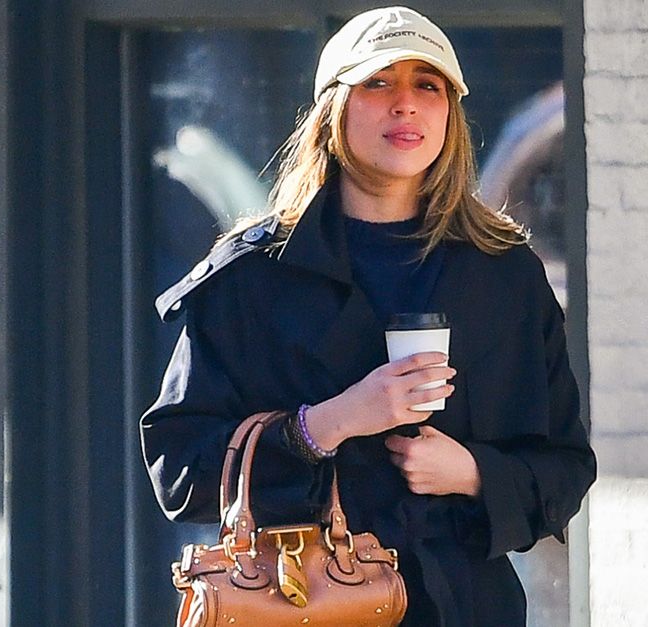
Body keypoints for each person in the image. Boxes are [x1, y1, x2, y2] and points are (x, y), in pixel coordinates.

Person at [141, 7, 595, 626]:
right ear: (333, 111)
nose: (405, 104)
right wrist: (325, 425)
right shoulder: (252, 276)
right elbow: (179, 471)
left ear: (450, 115)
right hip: (305, 606)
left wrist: (472, 474)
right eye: (378, 83)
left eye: (427, 85)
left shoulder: (504, 274)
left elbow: (565, 468)